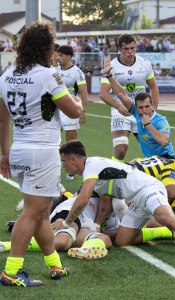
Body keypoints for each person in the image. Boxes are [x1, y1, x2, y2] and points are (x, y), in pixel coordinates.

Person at [0, 21, 83, 287]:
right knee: (34, 212)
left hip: (19, 150)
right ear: (47, 48)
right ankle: (11, 271)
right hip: (42, 151)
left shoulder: (5, 75)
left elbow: (3, 122)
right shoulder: (48, 74)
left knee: (41, 210)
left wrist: (4, 154)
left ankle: (54, 265)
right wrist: (80, 100)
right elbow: (73, 111)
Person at [54, 140, 175, 264]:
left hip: (148, 189)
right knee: (122, 241)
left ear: (73, 159)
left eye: (64, 161)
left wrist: (67, 223)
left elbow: (83, 199)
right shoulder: (93, 171)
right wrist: (96, 226)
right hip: (136, 200)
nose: (63, 165)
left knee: (166, 218)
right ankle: (169, 232)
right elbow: (105, 201)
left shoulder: (92, 165)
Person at [99, 34, 159, 163]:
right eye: (126, 49)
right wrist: (118, 106)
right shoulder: (112, 67)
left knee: (151, 151)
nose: (130, 52)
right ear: (119, 49)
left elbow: (153, 87)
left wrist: (154, 109)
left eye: (133, 48)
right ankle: (112, 179)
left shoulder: (145, 64)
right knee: (120, 150)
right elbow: (103, 93)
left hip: (141, 112)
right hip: (121, 112)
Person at [103, 55, 175, 158]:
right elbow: (122, 94)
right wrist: (109, 75)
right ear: (135, 108)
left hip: (166, 160)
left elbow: (164, 141)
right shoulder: (136, 113)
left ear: (152, 106)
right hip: (150, 162)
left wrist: (148, 124)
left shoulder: (160, 120)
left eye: (147, 106)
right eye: (141, 108)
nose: (144, 110)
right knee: (131, 164)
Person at [57, 45, 88, 180]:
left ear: (69, 57)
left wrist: (83, 111)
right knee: (53, 140)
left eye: (61, 56)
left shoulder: (77, 72)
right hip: (56, 109)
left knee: (70, 141)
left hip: (70, 108)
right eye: (58, 55)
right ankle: (53, 168)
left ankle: (71, 171)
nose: (58, 58)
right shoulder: (54, 70)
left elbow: (83, 92)